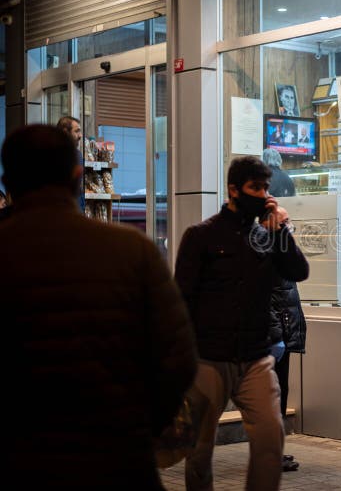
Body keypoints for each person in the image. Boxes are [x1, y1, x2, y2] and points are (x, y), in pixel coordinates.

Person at [1, 124, 197, 490]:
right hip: (118, 457)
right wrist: (144, 424)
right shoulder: (131, 250)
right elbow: (179, 358)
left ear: (8, 182)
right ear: (78, 177)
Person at [175, 156, 309, 491]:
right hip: (209, 357)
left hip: (255, 357)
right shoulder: (200, 236)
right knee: (199, 449)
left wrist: (281, 232)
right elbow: (181, 300)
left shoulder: (267, 236)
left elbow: (298, 271)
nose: (263, 194)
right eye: (255, 187)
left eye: (266, 188)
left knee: (270, 437)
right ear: (234, 190)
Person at [270, 207, 307, 472]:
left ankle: (274, 451)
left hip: (284, 333)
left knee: (281, 393)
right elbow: (265, 299)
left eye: (289, 221)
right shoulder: (267, 253)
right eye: (283, 222)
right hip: (274, 338)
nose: (288, 226)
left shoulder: (283, 253)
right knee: (274, 395)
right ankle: (270, 452)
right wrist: (276, 336)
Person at [57, 115, 84, 210]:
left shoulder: (77, 154)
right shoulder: (51, 155)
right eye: (76, 131)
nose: (80, 135)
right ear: (65, 132)